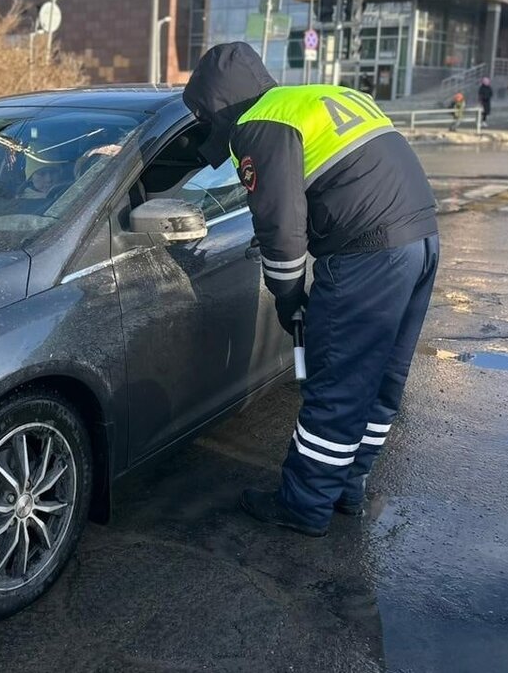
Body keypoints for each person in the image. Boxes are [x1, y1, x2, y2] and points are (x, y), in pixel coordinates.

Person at [183, 42, 439, 538]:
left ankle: (304, 503)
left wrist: (288, 296)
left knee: (336, 384)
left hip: (369, 254)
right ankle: (348, 485)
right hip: (421, 240)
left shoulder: (261, 123)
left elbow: (280, 227)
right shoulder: (315, 97)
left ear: (216, 103)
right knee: (382, 379)